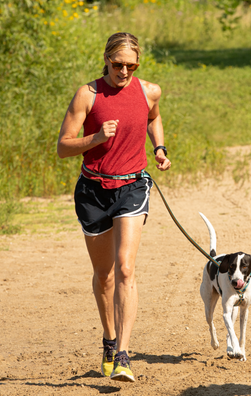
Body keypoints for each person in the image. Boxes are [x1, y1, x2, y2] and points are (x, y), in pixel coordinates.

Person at [57, 32, 171, 382]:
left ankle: (123, 354)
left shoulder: (148, 90)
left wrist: (160, 149)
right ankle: (108, 339)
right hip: (93, 191)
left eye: (131, 65)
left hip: (133, 187)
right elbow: (63, 147)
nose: (124, 71)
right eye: (118, 64)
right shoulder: (87, 95)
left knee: (124, 269)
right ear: (106, 59)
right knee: (104, 275)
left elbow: (152, 118)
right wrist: (96, 138)